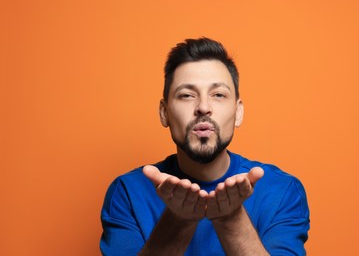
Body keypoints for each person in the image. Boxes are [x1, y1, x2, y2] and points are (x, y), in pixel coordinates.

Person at [100, 37, 310, 255]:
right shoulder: (127, 192)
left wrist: (231, 219)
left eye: (218, 95)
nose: (203, 107)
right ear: (164, 113)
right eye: (186, 95)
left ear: (238, 112)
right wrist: (178, 221)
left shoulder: (282, 191)